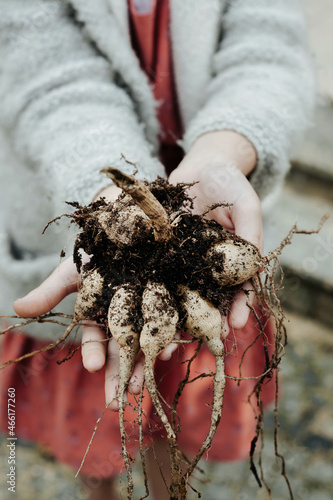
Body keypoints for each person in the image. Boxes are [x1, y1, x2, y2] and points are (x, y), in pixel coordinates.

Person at [0, 0, 314, 498]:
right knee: (98, 415)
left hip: (214, 222)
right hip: (70, 184)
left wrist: (223, 149)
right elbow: (48, 74)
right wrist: (107, 196)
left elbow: (268, 49)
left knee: (181, 404)